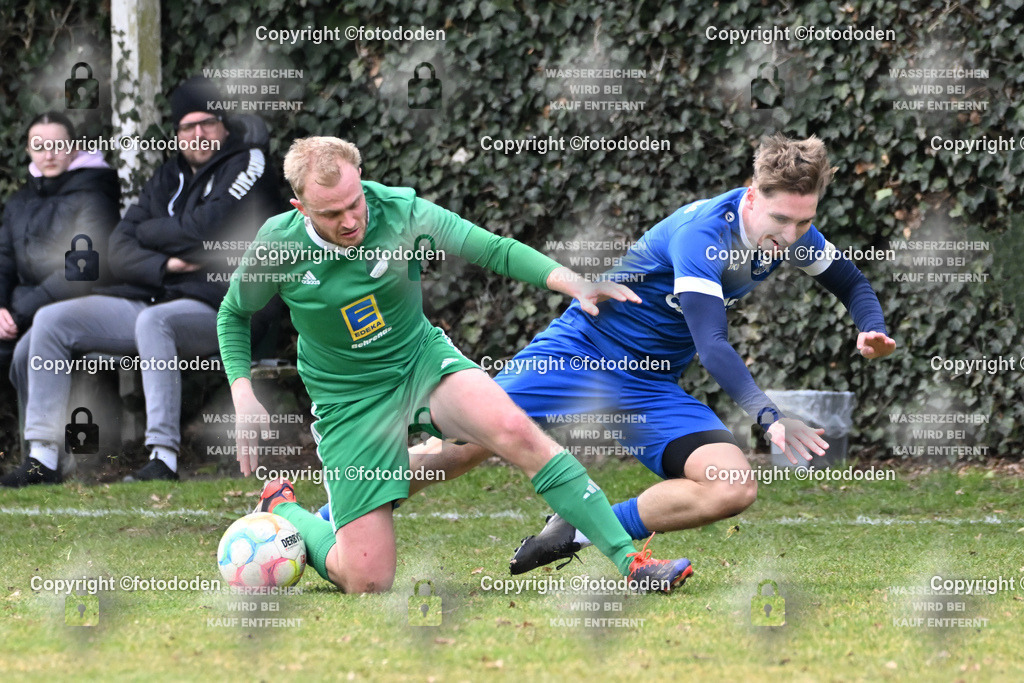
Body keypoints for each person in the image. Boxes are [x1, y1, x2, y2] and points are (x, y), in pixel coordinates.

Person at [401, 134, 897, 575]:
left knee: (733, 486)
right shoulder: (703, 235)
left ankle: (575, 529)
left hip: (647, 384)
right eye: (782, 220)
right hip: (583, 352)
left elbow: (852, 282)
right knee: (467, 441)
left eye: (804, 221)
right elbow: (712, 343)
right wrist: (768, 415)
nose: (791, 236)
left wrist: (871, 328)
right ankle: (335, 523)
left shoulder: (791, 234)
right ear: (751, 196)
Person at [217, 136, 694, 594]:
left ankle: (631, 562)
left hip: (420, 362)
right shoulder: (276, 246)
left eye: (354, 202)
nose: (349, 220)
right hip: (348, 400)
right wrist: (242, 389)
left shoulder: (401, 210)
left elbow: (491, 248)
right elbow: (233, 313)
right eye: (331, 213)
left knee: (514, 428)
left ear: (361, 180)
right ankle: (287, 511)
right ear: (301, 209)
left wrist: (572, 282)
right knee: (367, 582)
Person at [2, 77, 281, 487]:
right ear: (176, 133)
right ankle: (43, 458)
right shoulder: (168, 175)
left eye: (206, 123)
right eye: (187, 127)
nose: (197, 134)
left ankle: (162, 458)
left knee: (156, 323)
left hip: (226, 306)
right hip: (158, 293)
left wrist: (156, 235)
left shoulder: (249, 162)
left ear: (223, 125)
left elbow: (211, 226)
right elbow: (118, 248)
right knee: (52, 320)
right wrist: (168, 263)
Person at [0, 111, 120, 371]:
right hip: (20, 308)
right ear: (28, 151)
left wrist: (20, 313)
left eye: (58, 145)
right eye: (39, 147)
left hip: (71, 309)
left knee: (26, 354)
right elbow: (3, 260)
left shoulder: (94, 197)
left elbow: (84, 269)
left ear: (74, 149)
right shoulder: (19, 202)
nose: (49, 155)